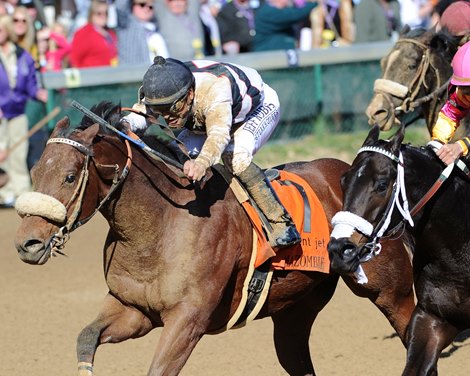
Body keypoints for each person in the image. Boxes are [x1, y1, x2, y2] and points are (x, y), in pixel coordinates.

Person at [121, 56, 301, 249]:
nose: (167, 118)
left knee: (234, 157)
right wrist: (122, 124)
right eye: (160, 110)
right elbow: (140, 117)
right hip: (207, 118)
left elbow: (218, 135)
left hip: (256, 110)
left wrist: (201, 162)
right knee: (175, 156)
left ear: (190, 94)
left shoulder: (215, 89)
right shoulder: (165, 91)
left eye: (173, 108)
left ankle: (281, 222)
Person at [0, 14, 47, 207]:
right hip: (1, 112)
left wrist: (37, 92)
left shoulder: (21, 54)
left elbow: (29, 82)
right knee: (2, 154)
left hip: (17, 110)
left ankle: (20, 192)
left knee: (18, 154)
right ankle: (5, 192)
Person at [431, 41, 470, 165]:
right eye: (464, 89)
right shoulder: (461, 91)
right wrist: (437, 143)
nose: (466, 94)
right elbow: (449, 115)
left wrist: (461, 146)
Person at [115, 0, 169, 65]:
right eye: (142, 4)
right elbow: (120, 6)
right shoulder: (127, 24)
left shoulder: (157, 26)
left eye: (151, 6)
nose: (147, 8)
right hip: (134, 72)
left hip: (161, 72)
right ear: (132, 6)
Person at [253, 0, 317, 52]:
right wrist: (314, 4)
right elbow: (294, 15)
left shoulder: (281, 10)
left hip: (280, 57)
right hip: (267, 57)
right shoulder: (267, 12)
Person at [70, 0, 118, 68]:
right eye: (99, 13)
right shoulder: (83, 33)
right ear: (91, 14)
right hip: (91, 76)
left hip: (111, 75)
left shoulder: (111, 33)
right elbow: (74, 60)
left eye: (106, 13)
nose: (103, 16)